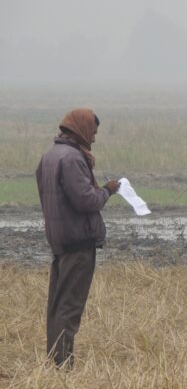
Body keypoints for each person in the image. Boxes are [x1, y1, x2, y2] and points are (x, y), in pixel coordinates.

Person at [35, 108, 120, 368]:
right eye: (93, 132)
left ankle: (55, 361)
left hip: (60, 240)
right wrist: (107, 191)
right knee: (70, 307)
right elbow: (86, 201)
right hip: (77, 243)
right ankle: (63, 365)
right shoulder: (72, 158)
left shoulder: (50, 155)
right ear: (82, 128)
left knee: (57, 304)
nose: (93, 138)